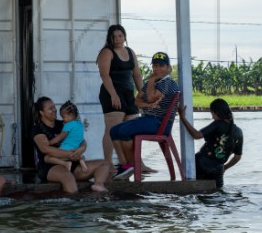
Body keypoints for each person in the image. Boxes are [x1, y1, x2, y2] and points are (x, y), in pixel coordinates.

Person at [110, 52, 180, 180]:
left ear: (168, 68)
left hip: (159, 123)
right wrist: (148, 105)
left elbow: (152, 97)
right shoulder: (150, 83)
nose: (157, 69)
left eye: (161, 66)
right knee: (114, 131)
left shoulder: (168, 83)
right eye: (155, 66)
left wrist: (151, 81)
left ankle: (132, 165)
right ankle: (125, 165)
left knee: (124, 131)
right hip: (148, 119)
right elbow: (137, 102)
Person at [32, 97, 110, 193]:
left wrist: (81, 148)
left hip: (72, 162)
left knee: (104, 163)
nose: (54, 110)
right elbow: (45, 149)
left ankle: (98, 184)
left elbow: (80, 139)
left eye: (54, 107)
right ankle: (73, 206)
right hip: (50, 165)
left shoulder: (64, 124)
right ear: (41, 112)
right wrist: (70, 154)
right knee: (67, 176)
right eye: (50, 108)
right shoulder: (37, 129)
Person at [96, 24, 144, 166]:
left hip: (129, 94)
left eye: (120, 35)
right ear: (110, 38)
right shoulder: (106, 52)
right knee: (112, 130)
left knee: (132, 131)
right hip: (111, 93)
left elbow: (137, 75)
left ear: (124, 36)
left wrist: (142, 93)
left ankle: (135, 163)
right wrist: (113, 95)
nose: (117, 39)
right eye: (114, 36)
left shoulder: (130, 51)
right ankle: (108, 163)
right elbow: (104, 75)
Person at [178, 98, 243, 188]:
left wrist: (183, 118)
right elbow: (237, 157)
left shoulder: (218, 124)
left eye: (212, 114)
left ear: (217, 112)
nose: (212, 117)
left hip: (201, 163)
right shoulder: (239, 132)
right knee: (218, 195)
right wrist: (225, 167)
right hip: (218, 170)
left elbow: (196, 135)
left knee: (197, 193)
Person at [43, 101, 88, 174]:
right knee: (75, 154)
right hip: (76, 149)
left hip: (66, 150)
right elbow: (73, 137)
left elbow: (59, 138)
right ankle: (81, 160)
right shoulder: (79, 124)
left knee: (47, 158)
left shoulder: (67, 125)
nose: (63, 119)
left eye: (64, 117)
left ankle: (66, 164)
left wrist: (49, 142)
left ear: (70, 115)